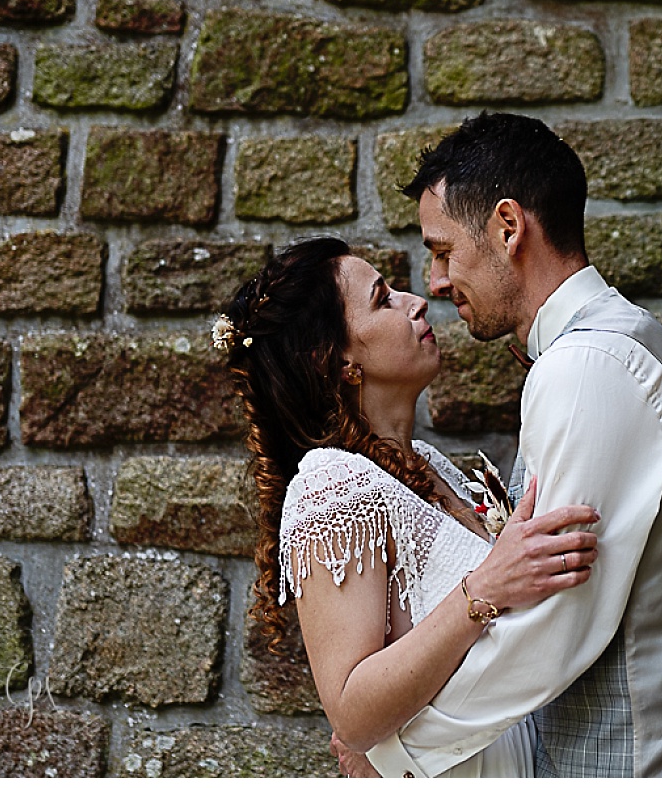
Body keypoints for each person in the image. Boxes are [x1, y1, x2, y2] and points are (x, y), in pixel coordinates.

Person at [359, 111, 662, 778]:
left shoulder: (590, 368)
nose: (437, 284)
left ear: (508, 227)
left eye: (443, 251)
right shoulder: (601, 349)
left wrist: (396, 750)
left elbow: (554, 628)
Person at [215, 237, 600, 777]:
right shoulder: (332, 485)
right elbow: (351, 710)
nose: (415, 300)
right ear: (338, 359)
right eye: (382, 299)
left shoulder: (428, 463)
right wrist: (483, 590)